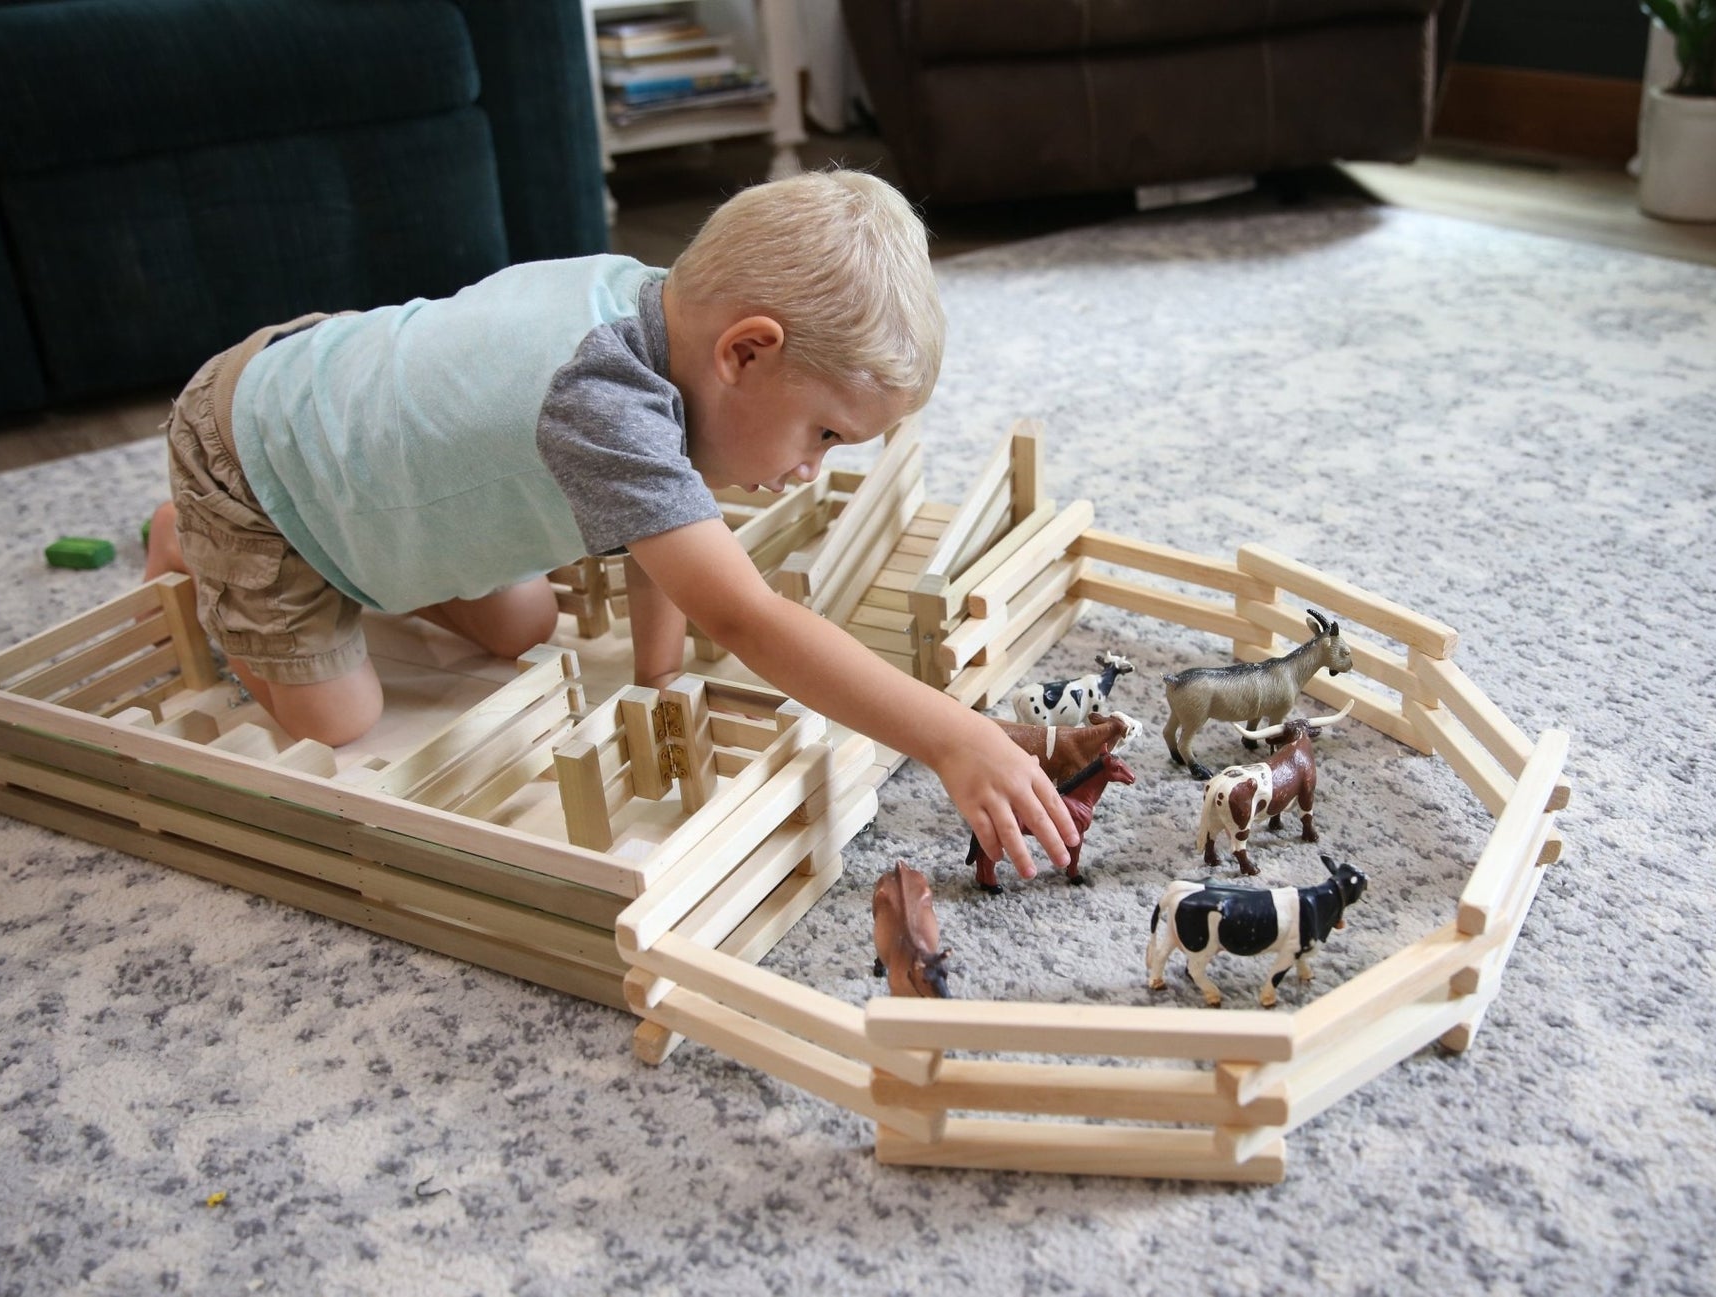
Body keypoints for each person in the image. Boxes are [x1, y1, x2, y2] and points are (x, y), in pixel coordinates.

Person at [143, 169, 1076, 877]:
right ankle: (188, 537)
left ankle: (347, 567)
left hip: (344, 412)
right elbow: (744, 615)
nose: (808, 467)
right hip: (251, 456)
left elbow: (662, 525)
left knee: (527, 623)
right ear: (746, 351)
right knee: (340, 718)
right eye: (824, 432)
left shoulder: (658, 306)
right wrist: (954, 734)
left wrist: (656, 674)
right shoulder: (602, 403)